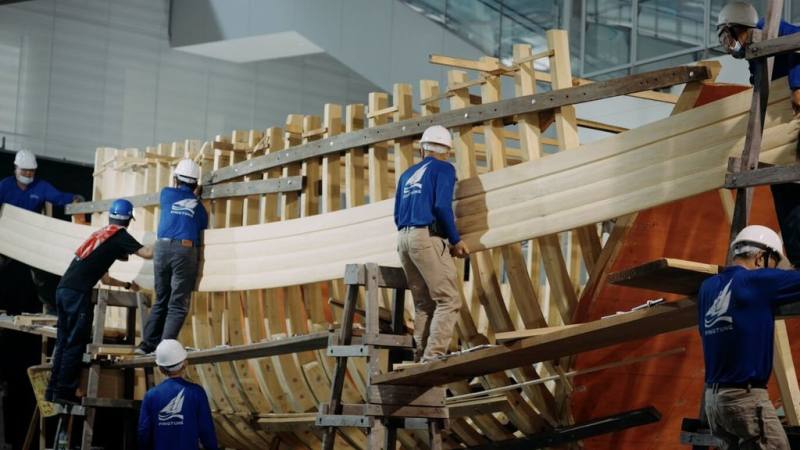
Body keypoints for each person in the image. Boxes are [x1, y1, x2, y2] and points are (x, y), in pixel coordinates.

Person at [698, 225, 800, 449]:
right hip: (744, 399)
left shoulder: (707, 288)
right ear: (761, 258)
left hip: (714, 402)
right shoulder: (758, 282)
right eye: (773, 264)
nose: (773, 270)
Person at [45, 199, 153, 404]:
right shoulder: (120, 234)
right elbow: (147, 253)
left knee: (63, 342)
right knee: (75, 343)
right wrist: (167, 243)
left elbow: (104, 279)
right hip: (77, 294)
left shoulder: (101, 236)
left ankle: (53, 391)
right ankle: (66, 392)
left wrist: (128, 285)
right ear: (128, 220)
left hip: (64, 290)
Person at [394, 125, 469, 363]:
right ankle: (433, 358)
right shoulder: (444, 169)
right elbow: (441, 207)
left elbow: (397, 215)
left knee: (424, 304)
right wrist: (456, 240)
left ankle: (419, 357)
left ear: (422, 148)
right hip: (426, 237)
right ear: (446, 150)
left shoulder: (406, 175)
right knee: (448, 300)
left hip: (404, 239)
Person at [137, 159, 207, 355]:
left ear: (176, 179)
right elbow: (201, 225)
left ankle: (146, 345)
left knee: (161, 299)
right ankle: (164, 350)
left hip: (162, 248)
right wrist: (197, 200)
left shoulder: (166, 194)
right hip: (184, 251)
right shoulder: (200, 208)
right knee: (177, 303)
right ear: (196, 184)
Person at [0, 149, 84, 312]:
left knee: (42, 277)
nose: (28, 173)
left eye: (31, 170)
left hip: (31, 237)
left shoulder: (41, 186)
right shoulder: (5, 185)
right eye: (24, 170)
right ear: (16, 168)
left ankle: (52, 309)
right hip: (7, 236)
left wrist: (75, 199)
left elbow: (60, 198)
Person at [716, 1, 800, 112]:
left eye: (727, 39)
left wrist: (797, 86)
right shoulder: (753, 53)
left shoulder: (768, 29)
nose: (729, 50)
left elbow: (797, 41)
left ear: (738, 29)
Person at [137, 339, 217, 450]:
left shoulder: (151, 395)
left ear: (160, 368)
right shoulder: (196, 393)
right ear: (185, 364)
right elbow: (207, 431)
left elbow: (143, 432)